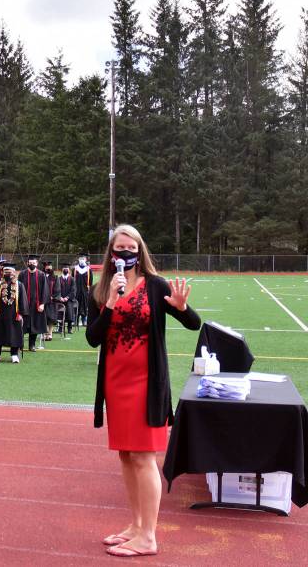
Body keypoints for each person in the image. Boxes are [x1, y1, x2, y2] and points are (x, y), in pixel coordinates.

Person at [86, 225, 199, 558]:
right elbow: (93, 338)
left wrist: (180, 307)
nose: (124, 253)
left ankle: (148, 536)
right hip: (116, 383)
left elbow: (194, 324)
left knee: (144, 457)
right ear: (110, 254)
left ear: (140, 250)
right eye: (118, 248)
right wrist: (109, 303)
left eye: (130, 247)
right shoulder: (101, 290)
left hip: (146, 384)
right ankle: (136, 525)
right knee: (126, 455)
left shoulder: (155, 285)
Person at [0, 262, 27, 363]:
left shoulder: (19, 285)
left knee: (14, 334)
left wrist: (21, 314)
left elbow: (23, 300)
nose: (8, 273)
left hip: (14, 315)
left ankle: (14, 354)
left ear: (14, 272)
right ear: (3, 272)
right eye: (6, 271)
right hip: (0, 314)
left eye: (10, 271)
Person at [20, 254, 49, 352]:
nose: (32, 264)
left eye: (34, 263)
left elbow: (45, 290)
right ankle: (20, 344)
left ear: (37, 263)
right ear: (27, 263)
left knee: (35, 326)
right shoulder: (22, 274)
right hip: (24, 305)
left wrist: (42, 304)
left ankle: (32, 345)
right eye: (30, 263)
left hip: (36, 305)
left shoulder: (41, 275)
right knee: (22, 325)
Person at [53, 265, 77, 334]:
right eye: (64, 269)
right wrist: (60, 297)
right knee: (60, 313)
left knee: (69, 311)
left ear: (69, 270)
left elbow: (73, 290)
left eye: (67, 269)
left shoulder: (72, 279)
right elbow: (57, 289)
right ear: (62, 270)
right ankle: (60, 328)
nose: (65, 270)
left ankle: (69, 328)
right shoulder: (58, 279)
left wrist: (67, 297)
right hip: (60, 299)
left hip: (69, 300)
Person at [75, 252, 93, 326]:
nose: (82, 260)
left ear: (85, 259)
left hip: (85, 290)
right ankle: (75, 320)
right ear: (78, 259)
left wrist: (89, 289)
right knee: (76, 304)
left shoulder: (88, 269)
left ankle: (84, 320)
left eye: (83, 258)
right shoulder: (75, 269)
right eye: (80, 258)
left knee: (85, 305)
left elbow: (91, 281)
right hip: (76, 290)